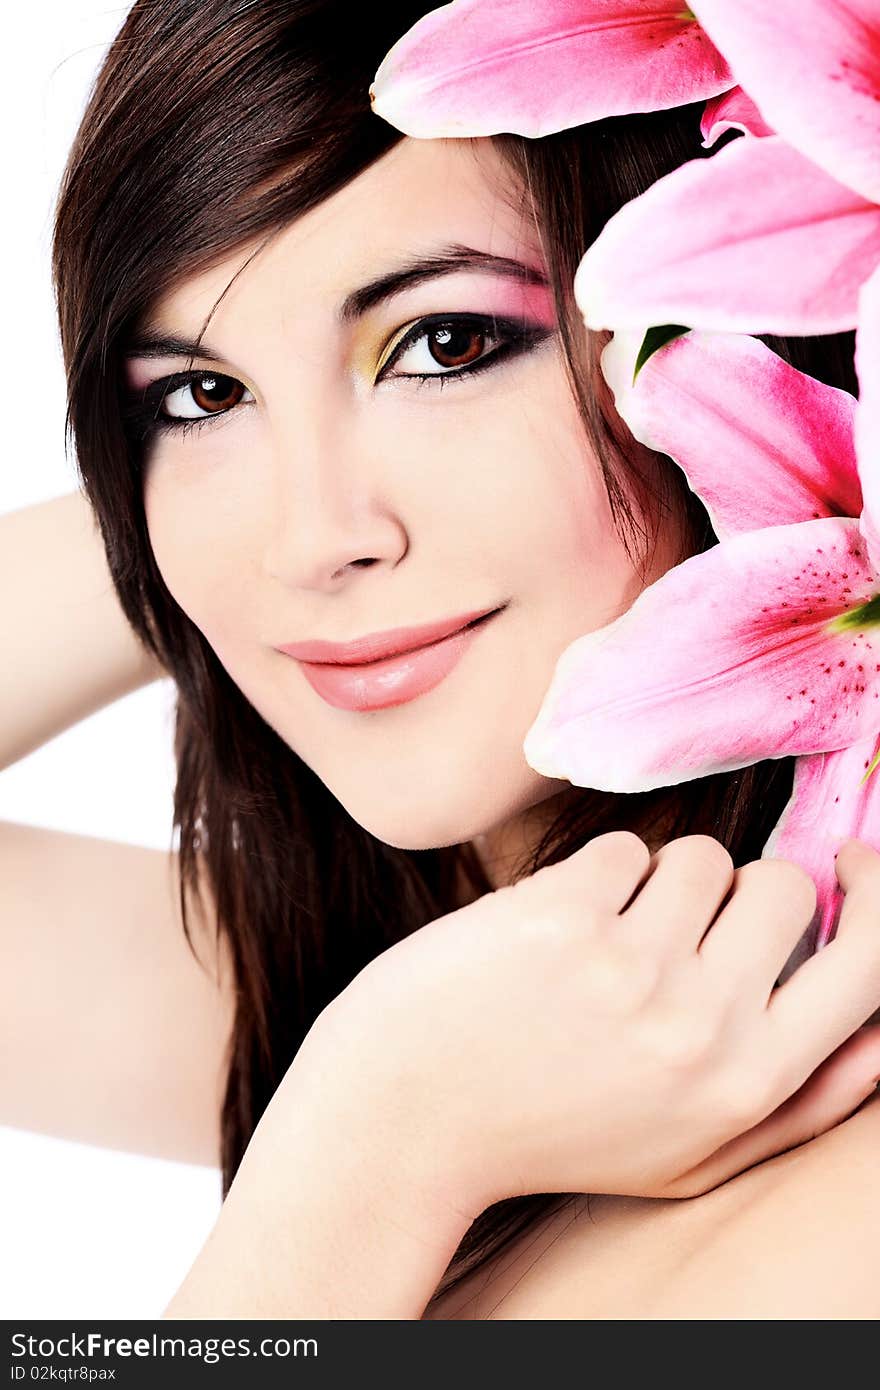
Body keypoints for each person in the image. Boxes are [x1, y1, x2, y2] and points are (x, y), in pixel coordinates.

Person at [4, 0, 878, 1318]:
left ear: (729, 325)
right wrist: (401, 1102)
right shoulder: (436, 997)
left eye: (447, 344)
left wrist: (384, 1133)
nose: (314, 538)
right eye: (195, 393)